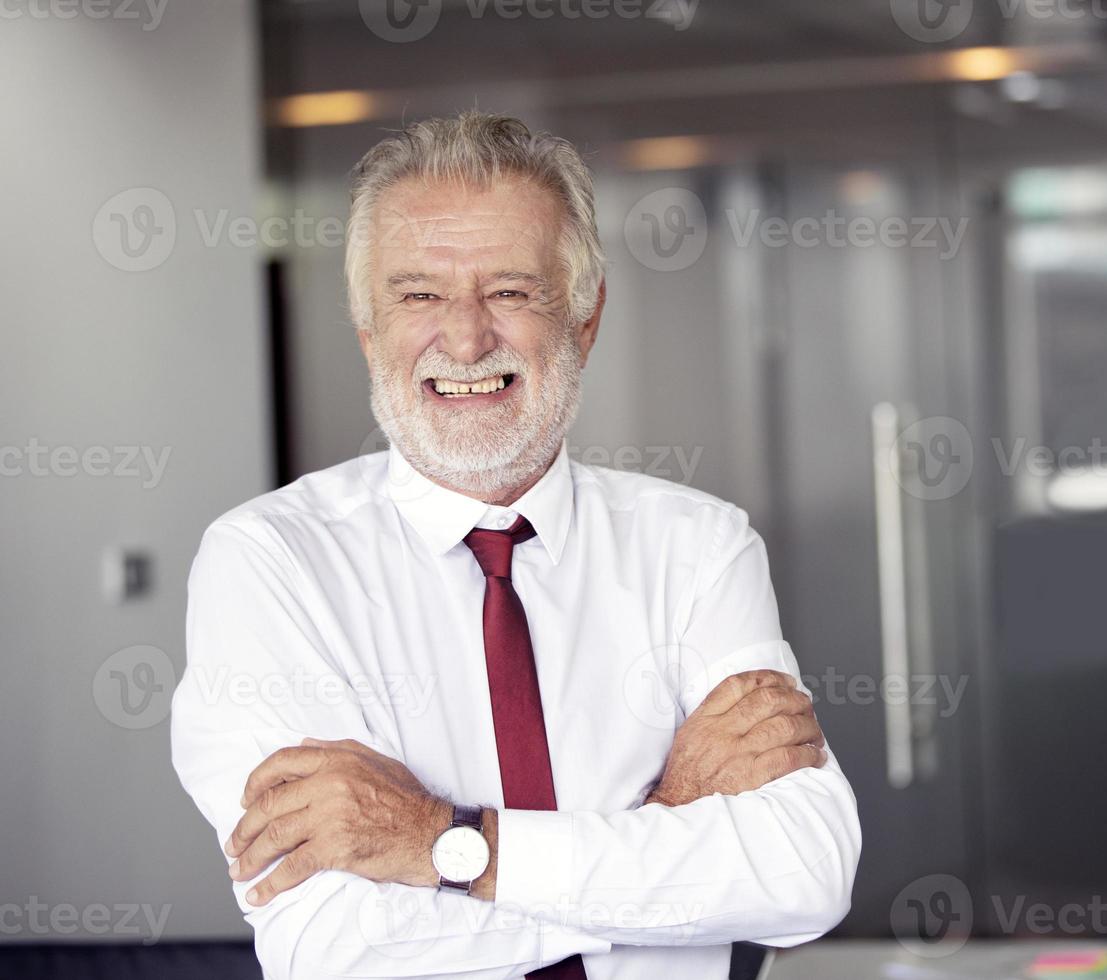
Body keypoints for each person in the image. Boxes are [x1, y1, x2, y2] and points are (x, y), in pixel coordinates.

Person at [170, 111, 861, 980]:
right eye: (418, 293)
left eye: (512, 291)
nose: (464, 337)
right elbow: (337, 943)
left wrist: (443, 846)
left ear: (584, 317)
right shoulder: (269, 564)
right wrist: (666, 822)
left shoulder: (698, 546)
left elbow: (807, 874)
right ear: (367, 329)